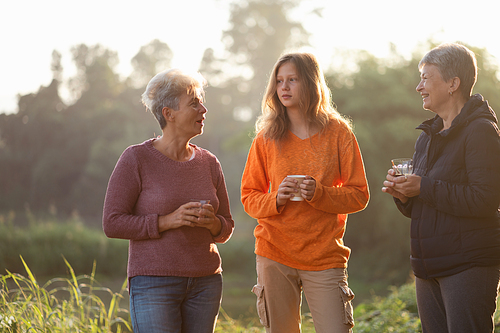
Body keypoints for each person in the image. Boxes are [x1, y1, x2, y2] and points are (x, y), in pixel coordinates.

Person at [241, 52, 370, 333]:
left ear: (311, 83)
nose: (283, 87)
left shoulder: (339, 133)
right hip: (274, 252)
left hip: (325, 255)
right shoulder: (266, 137)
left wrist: (320, 193)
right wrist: (276, 197)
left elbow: (359, 194)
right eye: (279, 81)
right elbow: (249, 198)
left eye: (292, 80)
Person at [102, 68, 234, 333]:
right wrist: (167, 221)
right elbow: (112, 223)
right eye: (194, 103)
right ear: (168, 113)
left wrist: (213, 224)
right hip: (153, 283)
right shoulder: (136, 158)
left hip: (206, 283)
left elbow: (226, 227)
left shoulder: (209, 162)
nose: (204, 109)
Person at [382, 43, 500, 333]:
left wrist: (423, 187)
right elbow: (428, 200)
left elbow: (485, 199)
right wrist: (405, 195)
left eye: (425, 77)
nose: (418, 86)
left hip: (468, 266)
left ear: (452, 83)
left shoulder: (481, 131)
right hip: (428, 269)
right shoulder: (427, 136)